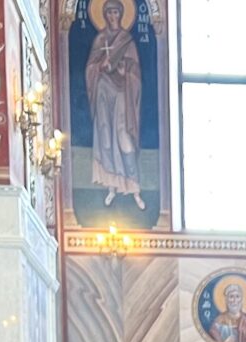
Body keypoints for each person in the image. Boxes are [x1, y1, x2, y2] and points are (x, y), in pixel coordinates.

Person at [85, 0, 145, 208]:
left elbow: (135, 72)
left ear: (121, 15)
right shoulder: (100, 39)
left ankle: (134, 188)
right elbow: (90, 68)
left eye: (115, 12)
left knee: (124, 138)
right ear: (104, 15)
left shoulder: (127, 41)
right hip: (103, 91)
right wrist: (99, 67)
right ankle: (111, 187)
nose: (112, 16)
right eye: (109, 12)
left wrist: (124, 71)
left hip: (122, 94)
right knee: (105, 138)